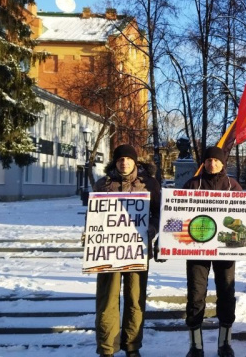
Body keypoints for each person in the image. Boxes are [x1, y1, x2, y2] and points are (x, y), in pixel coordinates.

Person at [93, 144, 161, 357]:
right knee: (107, 300)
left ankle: (132, 346)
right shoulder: (102, 184)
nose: (124, 162)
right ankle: (107, 348)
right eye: (120, 159)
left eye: (128, 159)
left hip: (138, 250)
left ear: (135, 161)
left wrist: (150, 230)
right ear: (115, 162)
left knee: (135, 299)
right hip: (108, 252)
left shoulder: (149, 184)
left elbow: (159, 214)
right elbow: (94, 215)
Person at [182, 146, 243, 357]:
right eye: (208, 160)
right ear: (203, 163)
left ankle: (225, 343)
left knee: (226, 294)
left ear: (222, 162)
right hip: (197, 250)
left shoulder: (231, 186)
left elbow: (245, 218)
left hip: (225, 250)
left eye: (215, 161)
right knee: (196, 295)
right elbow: (176, 213)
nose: (212, 164)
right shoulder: (192, 185)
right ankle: (195, 345)